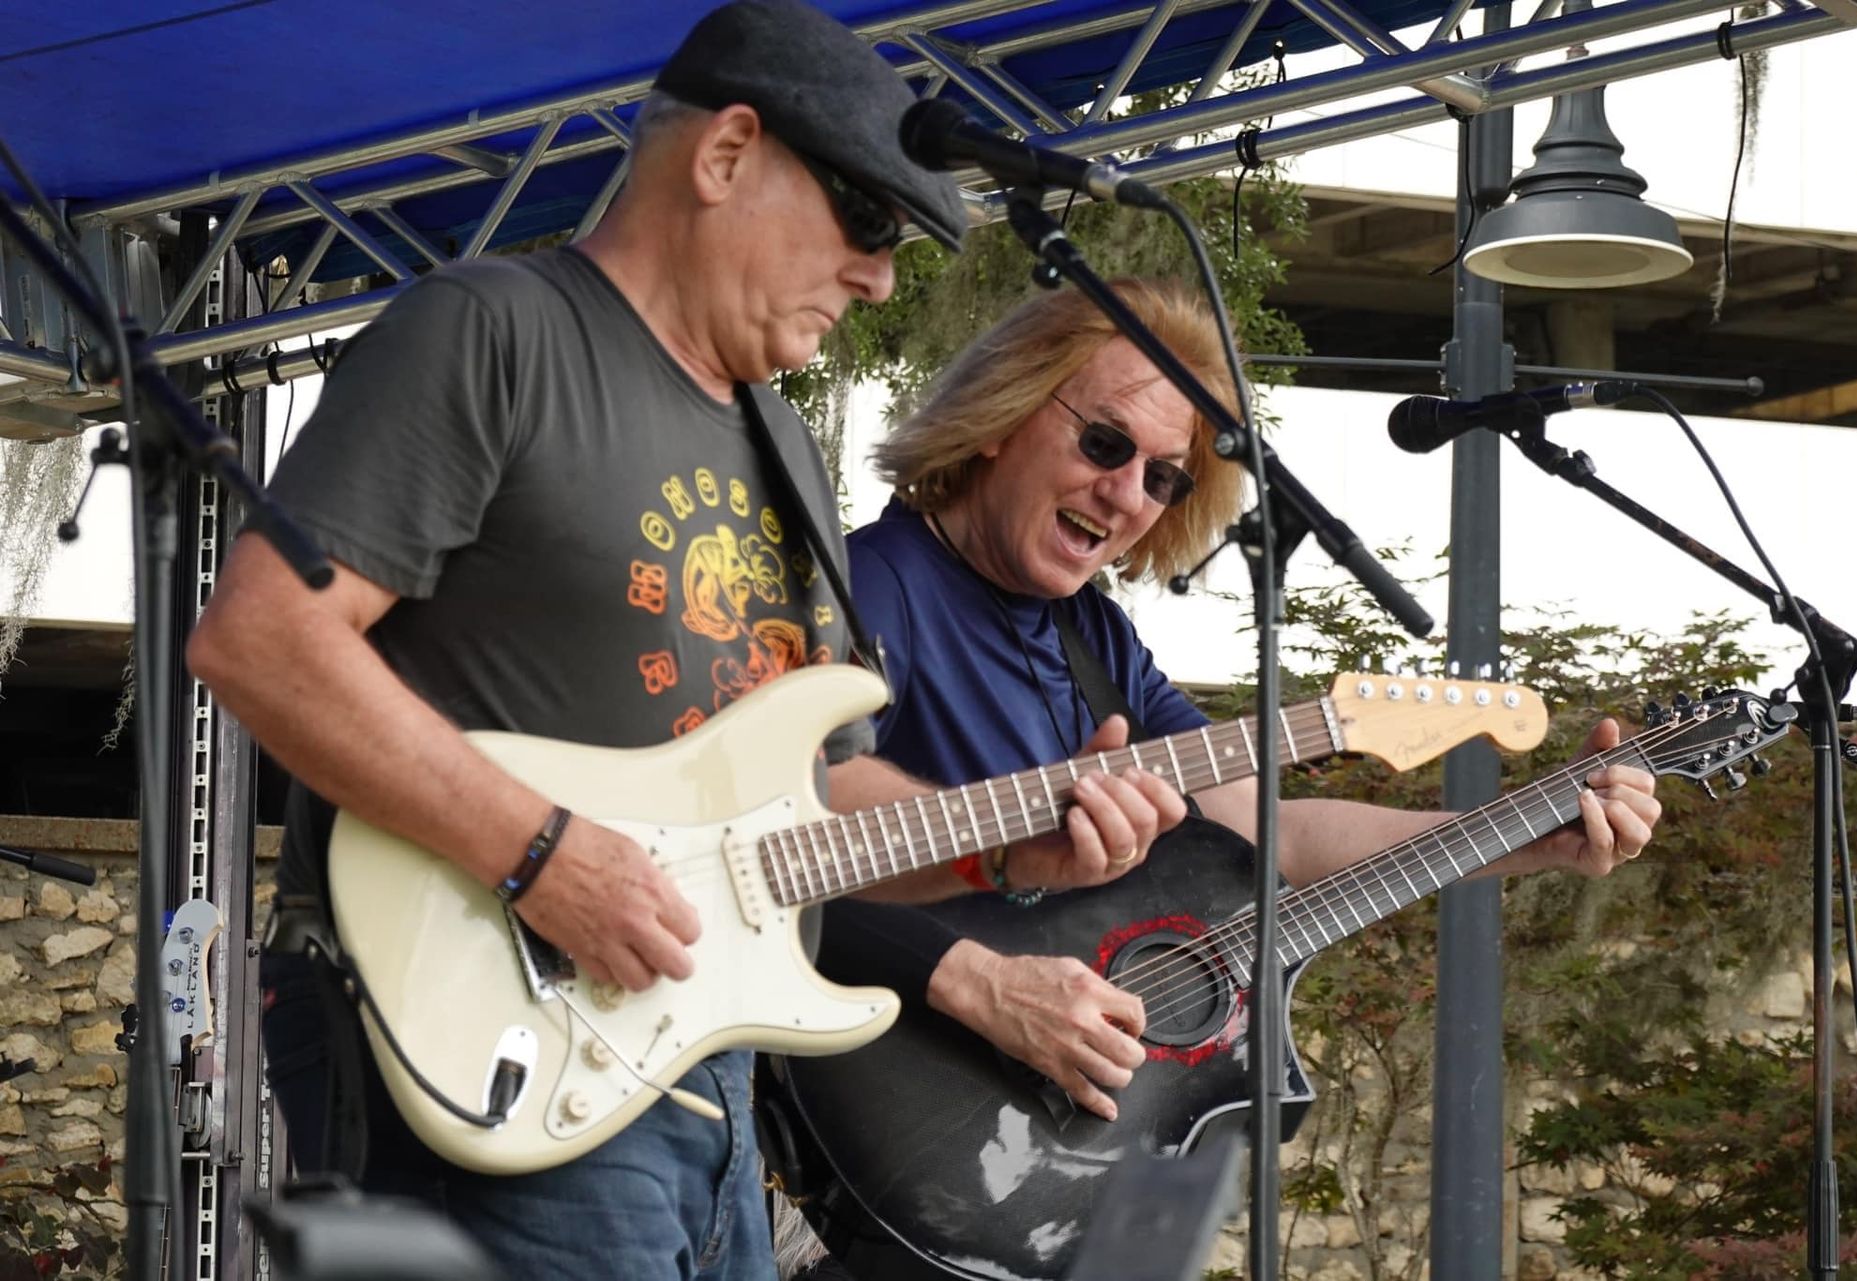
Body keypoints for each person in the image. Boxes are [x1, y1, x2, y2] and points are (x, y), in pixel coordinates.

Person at [186, 6, 1183, 1278]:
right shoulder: (493, 331)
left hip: (697, 1081)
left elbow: (807, 815)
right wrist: (541, 853)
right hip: (487, 1041)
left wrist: (1004, 843)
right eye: (867, 221)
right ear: (726, 157)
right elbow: (263, 640)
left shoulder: (788, 457)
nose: (880, 276)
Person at [812, 278, 1665, 1124]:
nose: (1125, 495)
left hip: (1019, 1127)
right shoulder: (868, 589)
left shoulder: (1094, 636)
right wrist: (983, 984)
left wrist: (1527, 828)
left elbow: (1275, 833)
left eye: (1163, 479)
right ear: (1003, 413)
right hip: (857, 1107)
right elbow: (772, 855)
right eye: (1106, 444)